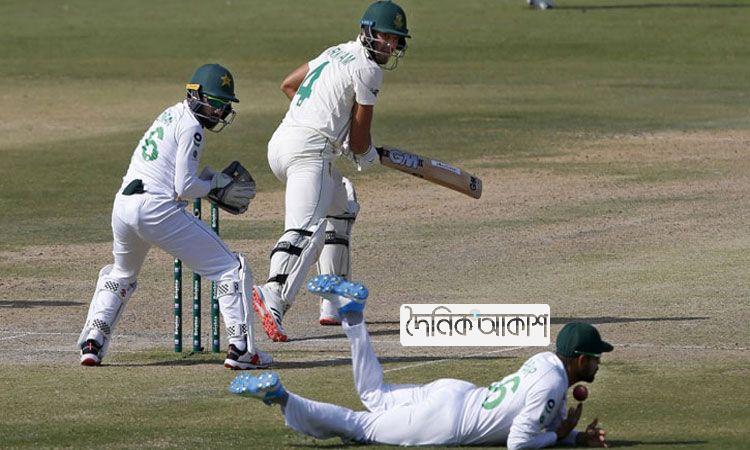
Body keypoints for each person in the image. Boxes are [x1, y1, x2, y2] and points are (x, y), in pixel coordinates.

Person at [230, 278, 610, 448]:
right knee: (360, 426)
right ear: (579, 360)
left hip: (454, 394)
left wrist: (574, 436)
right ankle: (282, 398)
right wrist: (558, 436)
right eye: (595, 359)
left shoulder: (545, 362)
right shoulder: (552, 385)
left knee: (374, 395)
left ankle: (353, 316)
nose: (597, 365)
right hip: (447, 422)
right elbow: (519, 442)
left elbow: (538, 417)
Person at [77, 64, 272, 370]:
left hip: (124, 206)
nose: (220, 112)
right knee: (231, 268)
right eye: (217, 103)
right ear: (197, 95)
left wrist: (207, 183)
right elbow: (184, 187)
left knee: (122, 273)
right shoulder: (193, 127)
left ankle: (93, 342)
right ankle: (242, 349)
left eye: (224, 105)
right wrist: (215, 184)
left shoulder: (170, 113)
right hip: (157, 210)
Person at [251, 0, 411, 342]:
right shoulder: (369, 70)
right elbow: (360, 140)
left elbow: (289, 84)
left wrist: (328, 126)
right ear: (368, 32)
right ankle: (273, 293)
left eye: (396, 39)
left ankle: (333, 299)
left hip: (282, 142)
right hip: (309, 152)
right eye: (385, 37)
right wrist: (365, 154)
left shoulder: (336, 51)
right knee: (308, 229)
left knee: (342, 205)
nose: (390, 45)